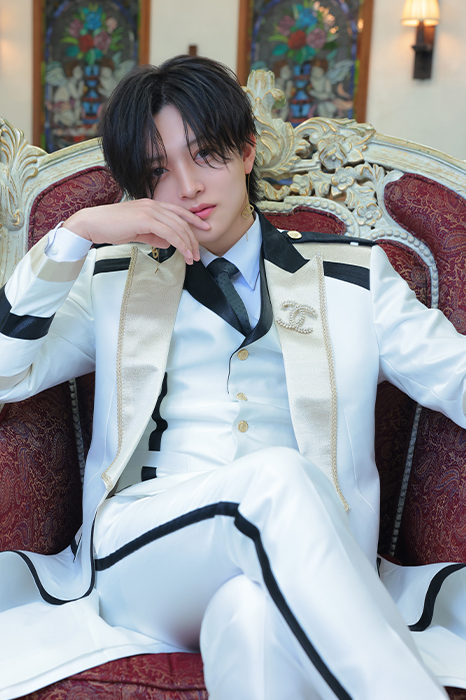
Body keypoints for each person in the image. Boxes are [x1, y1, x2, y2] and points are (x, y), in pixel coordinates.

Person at [0, 55, 465, 700]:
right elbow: (7, 372)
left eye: (205, 155)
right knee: (278, 477)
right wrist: (73, 236)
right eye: (159, 171)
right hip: (144, 554)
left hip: (310, 557)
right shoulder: (111, 279)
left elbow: (455, 377)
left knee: (248, 622)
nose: (188, 186)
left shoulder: (354, 277)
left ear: (247, 151)